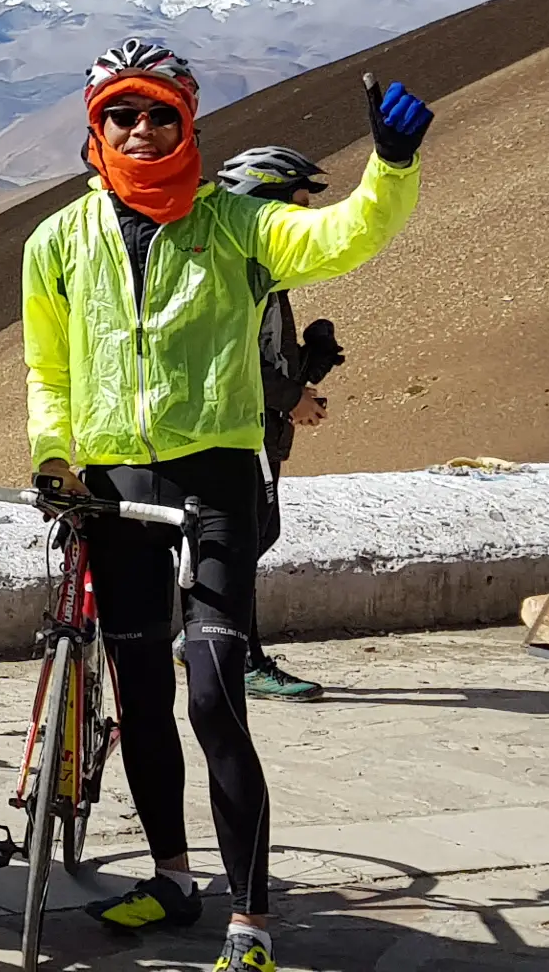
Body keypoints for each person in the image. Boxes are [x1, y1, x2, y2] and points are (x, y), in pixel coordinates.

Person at [22, 41, 431, 972]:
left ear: (188, 122)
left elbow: (342, 238)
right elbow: (48, 365)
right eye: (123, 114)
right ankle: (172, 879)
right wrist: (53, 454)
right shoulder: (57, 241)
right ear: (96, 126)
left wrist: (391, 167)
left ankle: (250, 922)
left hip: (215, 479)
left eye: (160, 113)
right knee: (141, 696)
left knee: (213, 695)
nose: (142, 129)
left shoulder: (237, 221)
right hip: (113, 486)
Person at [214, 147, 352, 703]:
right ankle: (239, 658)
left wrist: (309, 365)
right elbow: (234, 359)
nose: (303, 221)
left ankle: (203, 638)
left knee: (256, 535)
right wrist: (293, 397)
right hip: (241, 430)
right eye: (296, 207)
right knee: (240, 544)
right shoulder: (237, 273)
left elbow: (267, 352)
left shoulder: (266, 272)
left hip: (260, 429)